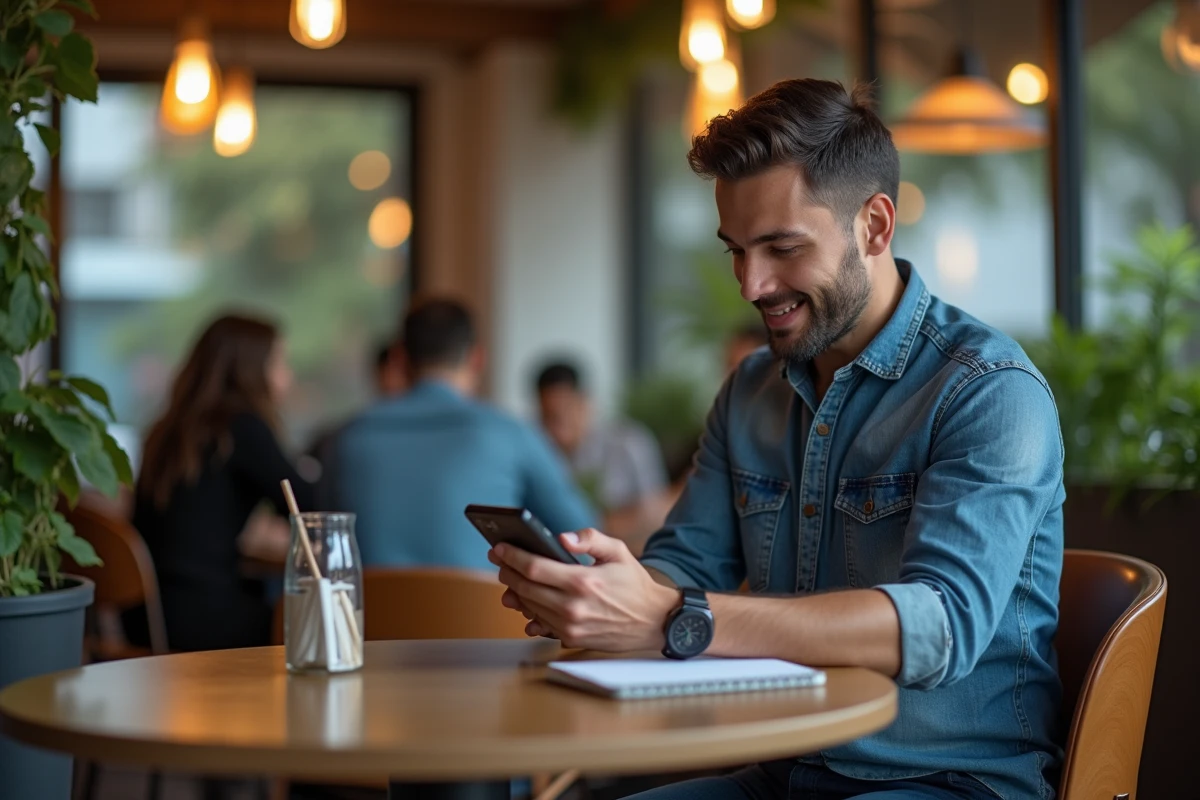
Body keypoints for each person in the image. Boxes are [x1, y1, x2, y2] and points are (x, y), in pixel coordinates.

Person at [492, 79, 1064, 800]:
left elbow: (938, 625)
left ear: (875, 227)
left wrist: (672, 617)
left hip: (949, 782)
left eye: (781, 248)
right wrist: (607, 593)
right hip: (780, 770)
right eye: (736, 250)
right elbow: (685, 562)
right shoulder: (750, 391)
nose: (750, 284)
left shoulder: (990, 390)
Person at [323, 298, 596, 571]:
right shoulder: (509, 435)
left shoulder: (346, 439)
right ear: (477, 358)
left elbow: (323, 545)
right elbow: (584, 544)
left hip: (368, 614)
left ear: (398, 359)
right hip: (487, 613)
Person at [128, 314, 315, 652]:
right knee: (316, 620)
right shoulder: (242, 427)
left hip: (144, 618)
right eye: (279, 363)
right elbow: (308, 504)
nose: (287, 376)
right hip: (202, 622)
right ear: (252, 370)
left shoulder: (167, 430)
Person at [535, 361, 669, 554]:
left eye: (562, 415)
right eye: (548, 417)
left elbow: (655, 511)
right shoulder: (541, 450)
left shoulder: (628, 443)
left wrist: (595, 523)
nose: (557, 430)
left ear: (584, 402)